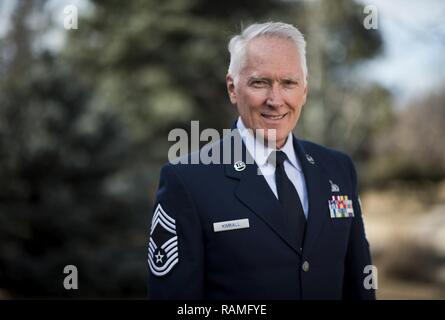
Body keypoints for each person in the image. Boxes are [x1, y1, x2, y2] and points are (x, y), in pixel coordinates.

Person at [147, 22, 376, 300]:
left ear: (304, 89)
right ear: (233, 88)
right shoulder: (187, 181)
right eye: (260, 82)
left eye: (288, 83)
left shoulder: (338, 169)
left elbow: (359, 288)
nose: (275, 100)